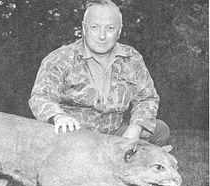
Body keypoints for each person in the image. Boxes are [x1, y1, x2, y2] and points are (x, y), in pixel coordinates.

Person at [28, 0, 170, 146]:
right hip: (74, 134)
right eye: (95, 27)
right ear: (84, 28)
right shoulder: (60, 58)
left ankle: (124, 165)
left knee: (160, 130)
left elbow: (147, 98)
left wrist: (136, 127)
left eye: (109, 28)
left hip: (114, 132)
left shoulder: (132, 58)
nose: (102, 36)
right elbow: (40, 97)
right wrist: (58, 116)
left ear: (119, 31)